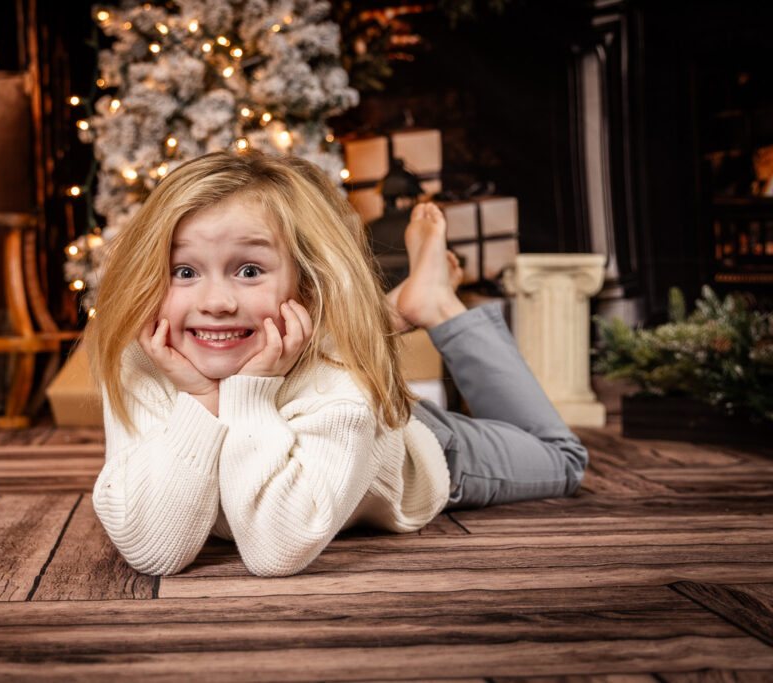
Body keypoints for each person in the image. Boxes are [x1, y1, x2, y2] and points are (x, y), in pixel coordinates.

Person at [86, 150, 588, 577]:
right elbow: (153, 550)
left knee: (562, 461)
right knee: (320, 340)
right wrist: (201, 398)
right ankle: (397, 307)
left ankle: (435, 305)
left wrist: (247, 393)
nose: (216, 301)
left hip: (410, 448)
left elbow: (276, 550)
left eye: (249, 269)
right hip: (314, 383)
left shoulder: (342, 384)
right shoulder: (147, 359)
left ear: (304, 284)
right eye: (185, 270)